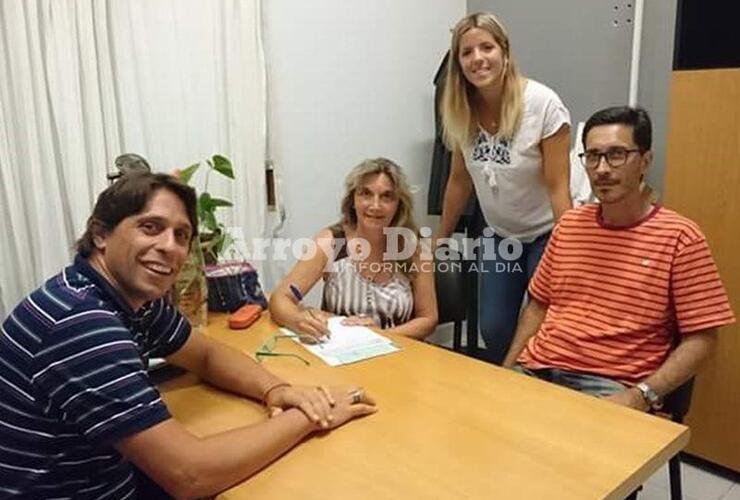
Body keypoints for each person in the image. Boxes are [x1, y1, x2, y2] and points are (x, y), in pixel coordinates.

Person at [0, 172, 376, 499]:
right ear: (101, 235)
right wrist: (312, 415)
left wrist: (276, 390)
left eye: (182, 235)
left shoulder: (125, 298)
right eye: (150, 227)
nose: (170, 246)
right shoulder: (83, 324)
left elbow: (206, 355)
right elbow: (188, 473)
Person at [502, 106, 735, 411]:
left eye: (616, 155)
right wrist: (506, 371)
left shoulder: (680, 237)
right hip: (539, 368)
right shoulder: (570, 226)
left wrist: (642, 395)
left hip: (612, 385)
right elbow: (539, 305)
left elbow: (703, 338)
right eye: (593, 156)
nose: (601, 169)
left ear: (645, 161)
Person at [437, 12, 572, 364]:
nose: (477, 58)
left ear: (505, 52)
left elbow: (560, 187)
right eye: (467, 52)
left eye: (487, 47)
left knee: (543, 327)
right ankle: (508, 389)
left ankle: (536, 394)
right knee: (495, 329)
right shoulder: (458, 108)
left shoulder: (542, 105)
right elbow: (459, 180)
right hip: (500, 234)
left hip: (548, 233)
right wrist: (441, 237)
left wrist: (571, 249)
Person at [270, 157, 437, 340]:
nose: (375, 205)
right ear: (352, 200)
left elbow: (428, 319)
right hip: (339, 356)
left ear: (399, 204)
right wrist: (299, 320)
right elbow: (280, 299)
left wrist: (379, 336)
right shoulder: (331, 242)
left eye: (386, 197)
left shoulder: (415, 248)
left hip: (400, 354)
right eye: (365, 193)